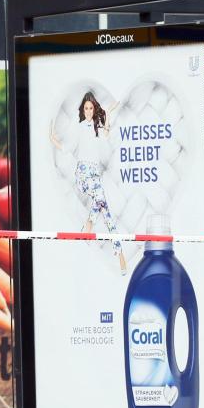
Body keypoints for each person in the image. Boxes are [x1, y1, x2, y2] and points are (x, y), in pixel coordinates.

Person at [50, 91, 126, 273]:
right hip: (83, 175)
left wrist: (107, 115)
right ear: (82, 110)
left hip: (96, 176)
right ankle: (91, 224)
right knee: (101, 198)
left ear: (94, 109)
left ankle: (119, 254)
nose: (89, 111)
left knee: (105, 209)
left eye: (91, 108)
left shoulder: (98, 127)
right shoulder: (79, 126)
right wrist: (54, 141)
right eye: (86, 108)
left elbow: (107, 137)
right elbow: (67, 148)